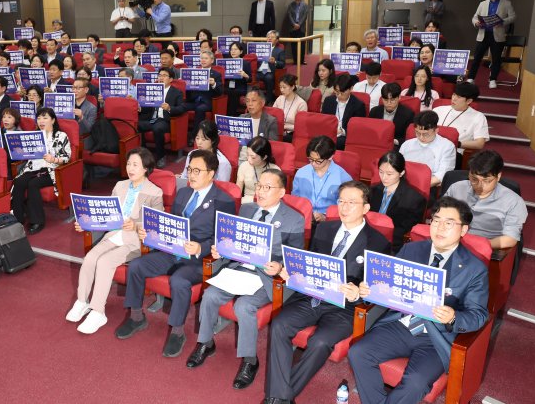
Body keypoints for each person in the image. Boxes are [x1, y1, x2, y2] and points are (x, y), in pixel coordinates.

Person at [349, 196, 488, 404]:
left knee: (416, 382)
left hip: (435, 337)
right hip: (400, 323)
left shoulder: (474, 269)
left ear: (463, 230)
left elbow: (478, 315)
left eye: (449, 223)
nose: (439, 228)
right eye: (436, 220)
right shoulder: (411, 250)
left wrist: (453, 317)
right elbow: (388, 286)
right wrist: (371, 290)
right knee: (358, 353)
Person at [264, 180, 391, 404]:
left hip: (344, 307)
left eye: (352, 202)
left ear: (366, 208)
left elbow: (378, 291)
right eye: (341, 201)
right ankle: (281, 396)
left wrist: (358, 294)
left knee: (320, 342)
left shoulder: (378, 243)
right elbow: (308, 263)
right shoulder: (324, 228)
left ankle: (280, 396)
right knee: (279, 325)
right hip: (311, 296)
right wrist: (292, 273)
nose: (344, 207)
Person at [189, 169, 304, 389]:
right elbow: (232, 241)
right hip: (238, 269)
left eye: (267, 188)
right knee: (210, 295)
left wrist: (280, 266)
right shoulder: (246, 208)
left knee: (244, 306)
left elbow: (296, 258)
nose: (260, 191)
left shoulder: (294, 219)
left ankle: (250, 360)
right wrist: (221, 249)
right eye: (259, 185)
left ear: (281, 192)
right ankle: (206, 343)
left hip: (265, 276)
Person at [115, 149, 235, 357]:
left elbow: (225, 240)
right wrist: (151, 231)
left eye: (198, 170)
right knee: (136, 266)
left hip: (197, 259)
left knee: (179, 280)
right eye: (190, 169)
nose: (191, 174)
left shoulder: (224, 201)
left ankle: (178, 332)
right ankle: (136, 317)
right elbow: (170, 224)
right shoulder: (184, 193)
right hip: (171, 250)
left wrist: (201, 248)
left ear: (212, 173)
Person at [67, 147, 164, 334]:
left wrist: (135, 225)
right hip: (113, 235)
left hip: (135, 241)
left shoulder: (155, 192)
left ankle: (98, 311)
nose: (130, 168)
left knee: (104, 262)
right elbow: (107, 215)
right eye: (128, 163)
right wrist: (87, 224)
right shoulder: (120, 186)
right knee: (89, 258)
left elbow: (156, 223)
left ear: (146, 168)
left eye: (135, 164)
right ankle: (82, 301)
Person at [445, 150, 527, 250]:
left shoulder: (514, 202)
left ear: (498, 176)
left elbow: (510, 239)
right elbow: (440, 215)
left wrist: (476, 245)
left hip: (484, 248)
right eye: (474, 179)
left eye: (486, 181)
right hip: (449, 239)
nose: (479, 186)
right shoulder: (456, 188)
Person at [11, 108, 71, 235]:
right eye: (38, 118)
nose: (41, 121)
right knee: (19, 181)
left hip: (52, 169)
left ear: (53, 120)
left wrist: (54, 158)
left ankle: (37, 220)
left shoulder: (61, 136)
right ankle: (18, 218)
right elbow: (28, 156)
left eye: (45, 118)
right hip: (34, 167)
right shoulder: (34, 135)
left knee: (33, 184)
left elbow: (67, 157)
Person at [371, 151, 426, 252]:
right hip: (369, 237)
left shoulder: (415, 199)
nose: (384, 177)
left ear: (401, 173)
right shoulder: (372, 191)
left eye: (389, 174)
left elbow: (404, 231)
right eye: (381, 172)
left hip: (392, 244)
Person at [468, 0, 516, 89]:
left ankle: (493, 79)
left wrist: (502, 21)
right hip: (483, 34)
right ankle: (471, 78)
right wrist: (476, 22)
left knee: (496, 59)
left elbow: (513, 17)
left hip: (497, 35)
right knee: (477, 58)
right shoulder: (483, 3)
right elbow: (474, 17)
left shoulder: (506, 3)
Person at [292, 135, 352, 222]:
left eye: (318, 161)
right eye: (311, 159)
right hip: (301, 219)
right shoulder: (301, 173)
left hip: (330, 222)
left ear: (331, 156)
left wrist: (325, 217)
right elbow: (295, 199)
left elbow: (346, 208)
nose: (313, 164)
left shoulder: (343, 178)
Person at [137, 67, 185, 168]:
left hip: (165, 120)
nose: (161, 78)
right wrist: (140, 108)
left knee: (157, 128)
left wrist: (169, 108)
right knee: (136, 125)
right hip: (151, 119)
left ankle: (161, 156)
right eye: (160, 75)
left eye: (164, 76)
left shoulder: (176, 92)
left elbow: (182, 108)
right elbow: (147, 108)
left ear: (171, 79)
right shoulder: (152, 89)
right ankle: (144, 153)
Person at [399, 110, 456, 187]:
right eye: (417, 133)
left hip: (429, 185)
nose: (421, 137)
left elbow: (441, 176)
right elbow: (398, 167)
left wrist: (418, 186)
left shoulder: (447, 147)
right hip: (404, 183)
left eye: (426, 134)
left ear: (436, 130)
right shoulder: (407, 145)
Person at [433, 82, 489, 158]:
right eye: (454, 94)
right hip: (431, 147)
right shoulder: (438, 110)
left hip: (454, 152)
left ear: (469, 101)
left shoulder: (478, 117)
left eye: (458, 97)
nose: (454, 99)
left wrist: (457, 143)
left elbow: (480, 143)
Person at [185, 50, 223, 144]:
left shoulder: (216, 74)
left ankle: (194, 137)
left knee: (200, 109)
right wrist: (186, 84)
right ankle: (180, 136)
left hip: (207, 102)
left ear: (212, 60)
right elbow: (188, 92)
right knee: (181, 107)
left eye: (206, 58)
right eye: (202, 58)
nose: (203, 60)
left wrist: (214, 84)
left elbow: (220, 92)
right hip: (193, 100)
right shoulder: (193, 72)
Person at [321, 74, 366, 150]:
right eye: (337, 91)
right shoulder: (328, 101)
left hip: (345, 136)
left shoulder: (358, 105)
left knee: (335, 143)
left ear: (351, 88)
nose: (339, 95)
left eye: (342, 92)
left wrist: (342, 131)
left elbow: (358, 129)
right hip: (328, 133)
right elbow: (323, 120)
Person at [369, 82, 415, 148]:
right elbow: (370, 132)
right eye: (385, 100)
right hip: (375, 145)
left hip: (396, 147)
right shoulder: (374, 111)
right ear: (382, 98)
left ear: (399, 97)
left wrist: (395, 141)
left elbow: (409, 138)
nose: (389, 103)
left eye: (392, 100)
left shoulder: (408, 114)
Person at [238, 87, 278, 164]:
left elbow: (272, 146)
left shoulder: (270, 121)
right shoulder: (241, 118)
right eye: (247, 101)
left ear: (262, 103)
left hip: (259, 159)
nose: (250, 104)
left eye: (253, 100)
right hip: (241, 158)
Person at [236, 137, 280, 203]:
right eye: (248, 155)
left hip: (266, 204)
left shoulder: (275, 171)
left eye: (253, 157)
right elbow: (237, 192)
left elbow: (275, 197)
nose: (249, 159)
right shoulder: (244, 166)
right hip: (246, 203)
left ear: (264, 157)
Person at [272, 74, 307, 142]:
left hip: (292, 133)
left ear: (292, 87)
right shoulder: (279, 99)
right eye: (280, 87)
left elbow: (301, 126)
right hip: (278, 130)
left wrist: (285, 127)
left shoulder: (301, 103)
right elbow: (272, 116)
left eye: (284, 87)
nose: (281, 90)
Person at [225, 42, 253, 117]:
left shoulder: (245, 63)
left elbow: (250, 79)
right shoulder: (226, 62)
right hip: (228, 86)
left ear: (241, 51)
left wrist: (245, 75)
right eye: (231, 49)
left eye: (235, 49)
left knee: (233, 93)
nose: (233, 51)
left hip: (240, 87)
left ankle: (231, 116)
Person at [258, 30, 287, 104]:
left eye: (272, 37)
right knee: (252, 77)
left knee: (268, 78)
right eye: (268, 37)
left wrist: (275, 62)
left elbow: (283, 64)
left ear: (277, 40)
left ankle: (269, 100)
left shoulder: (279, 51)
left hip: (271, 72)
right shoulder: (260, 48)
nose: (269, 38)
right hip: (259, 71)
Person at [286, 0, 309, 65]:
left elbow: (305, 16)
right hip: (292, 28)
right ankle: (295, 61)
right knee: (294, 45)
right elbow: (289, 15)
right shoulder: (290, 5)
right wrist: (294, 24)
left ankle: (301, 61)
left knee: (302, 45)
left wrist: (299, 24)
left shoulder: (305, 5)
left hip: (301, 28)